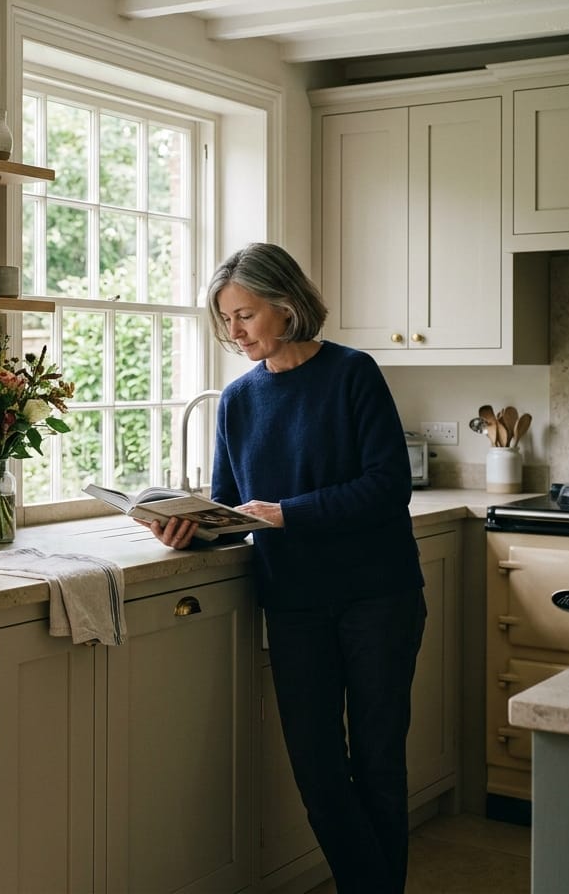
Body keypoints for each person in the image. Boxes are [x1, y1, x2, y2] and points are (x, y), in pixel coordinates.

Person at [147, 242, 426, 894]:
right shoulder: (239, 401)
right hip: (295, 601)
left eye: (243, 315)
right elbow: (230, 510)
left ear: (287, 305)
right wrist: (187, 530)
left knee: (378, 764)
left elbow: (388, 486)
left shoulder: (353, 373)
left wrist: (286, 514)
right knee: (320, 774)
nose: (234, 332)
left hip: (378, 596)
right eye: (226, 320)